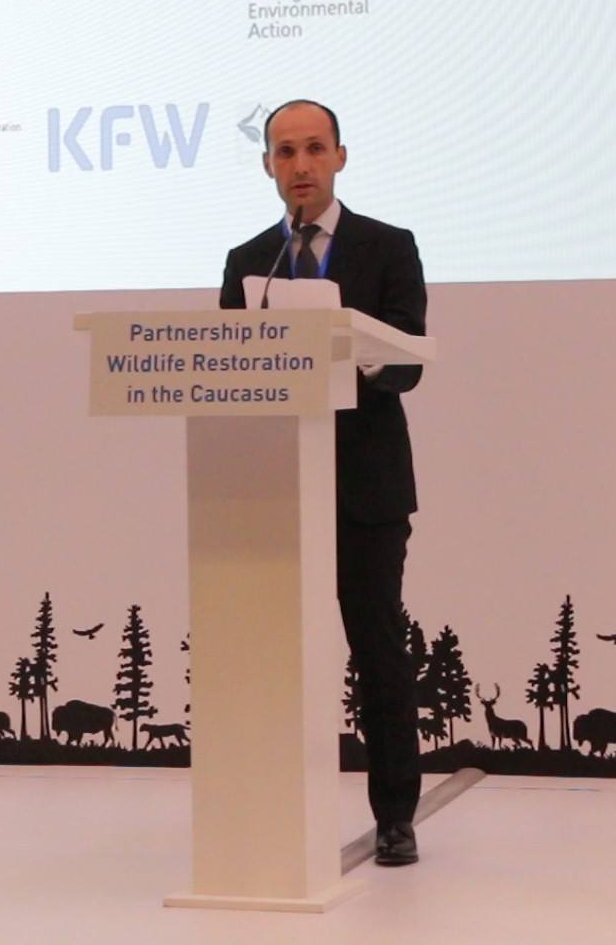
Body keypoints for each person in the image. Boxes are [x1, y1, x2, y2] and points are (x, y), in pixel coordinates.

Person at [218, 100, 427, 867]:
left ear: (340, 156)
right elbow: (227, 368)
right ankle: (270, 813)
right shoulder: (249, 260)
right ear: (267, 166)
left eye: (313, 149)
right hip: (277, 488)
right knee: (272, 655)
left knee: (377, 651)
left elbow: (406, 362)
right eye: (284, 152)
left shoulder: (388, 246)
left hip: (364, 490)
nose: (299, 166)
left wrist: (344, 357)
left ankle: (395, 816)